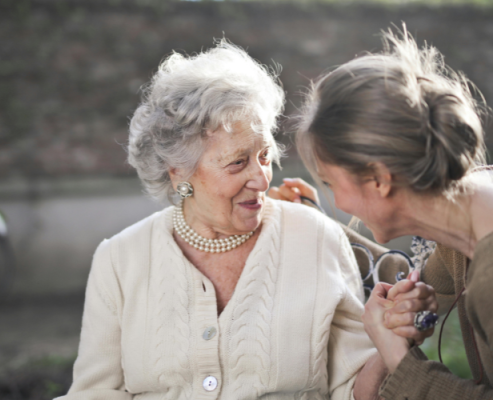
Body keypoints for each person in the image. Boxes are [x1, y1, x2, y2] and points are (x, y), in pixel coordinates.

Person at [54, 40, 435, 400]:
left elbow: (351, 390)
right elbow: (95, 392)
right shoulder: (120, 260)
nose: (262, 178)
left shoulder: (315, 237)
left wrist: (389, 341)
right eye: (238, 162)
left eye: (265, 156)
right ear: (178, 172)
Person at [273, 26, 493, 399]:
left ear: (378, 179)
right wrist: (314, 222)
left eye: (330, 183)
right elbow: (412, 278)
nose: (338, 202)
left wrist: (399, 360)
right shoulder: (468, 217)